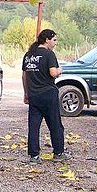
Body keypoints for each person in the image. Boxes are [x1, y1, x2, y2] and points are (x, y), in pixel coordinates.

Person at [22, 29, 70, 163]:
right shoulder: (49, 54)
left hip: (34, 95)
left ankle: (34, 155)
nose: (55, 43)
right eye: (54, 40)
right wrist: (61, 69)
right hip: (48, 94)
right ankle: (59, 153)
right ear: (47, 40)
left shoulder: (28, 55)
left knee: (34, 126)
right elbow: (53, 73)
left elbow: (24, 75)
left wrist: (26, 93)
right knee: (55, 124)